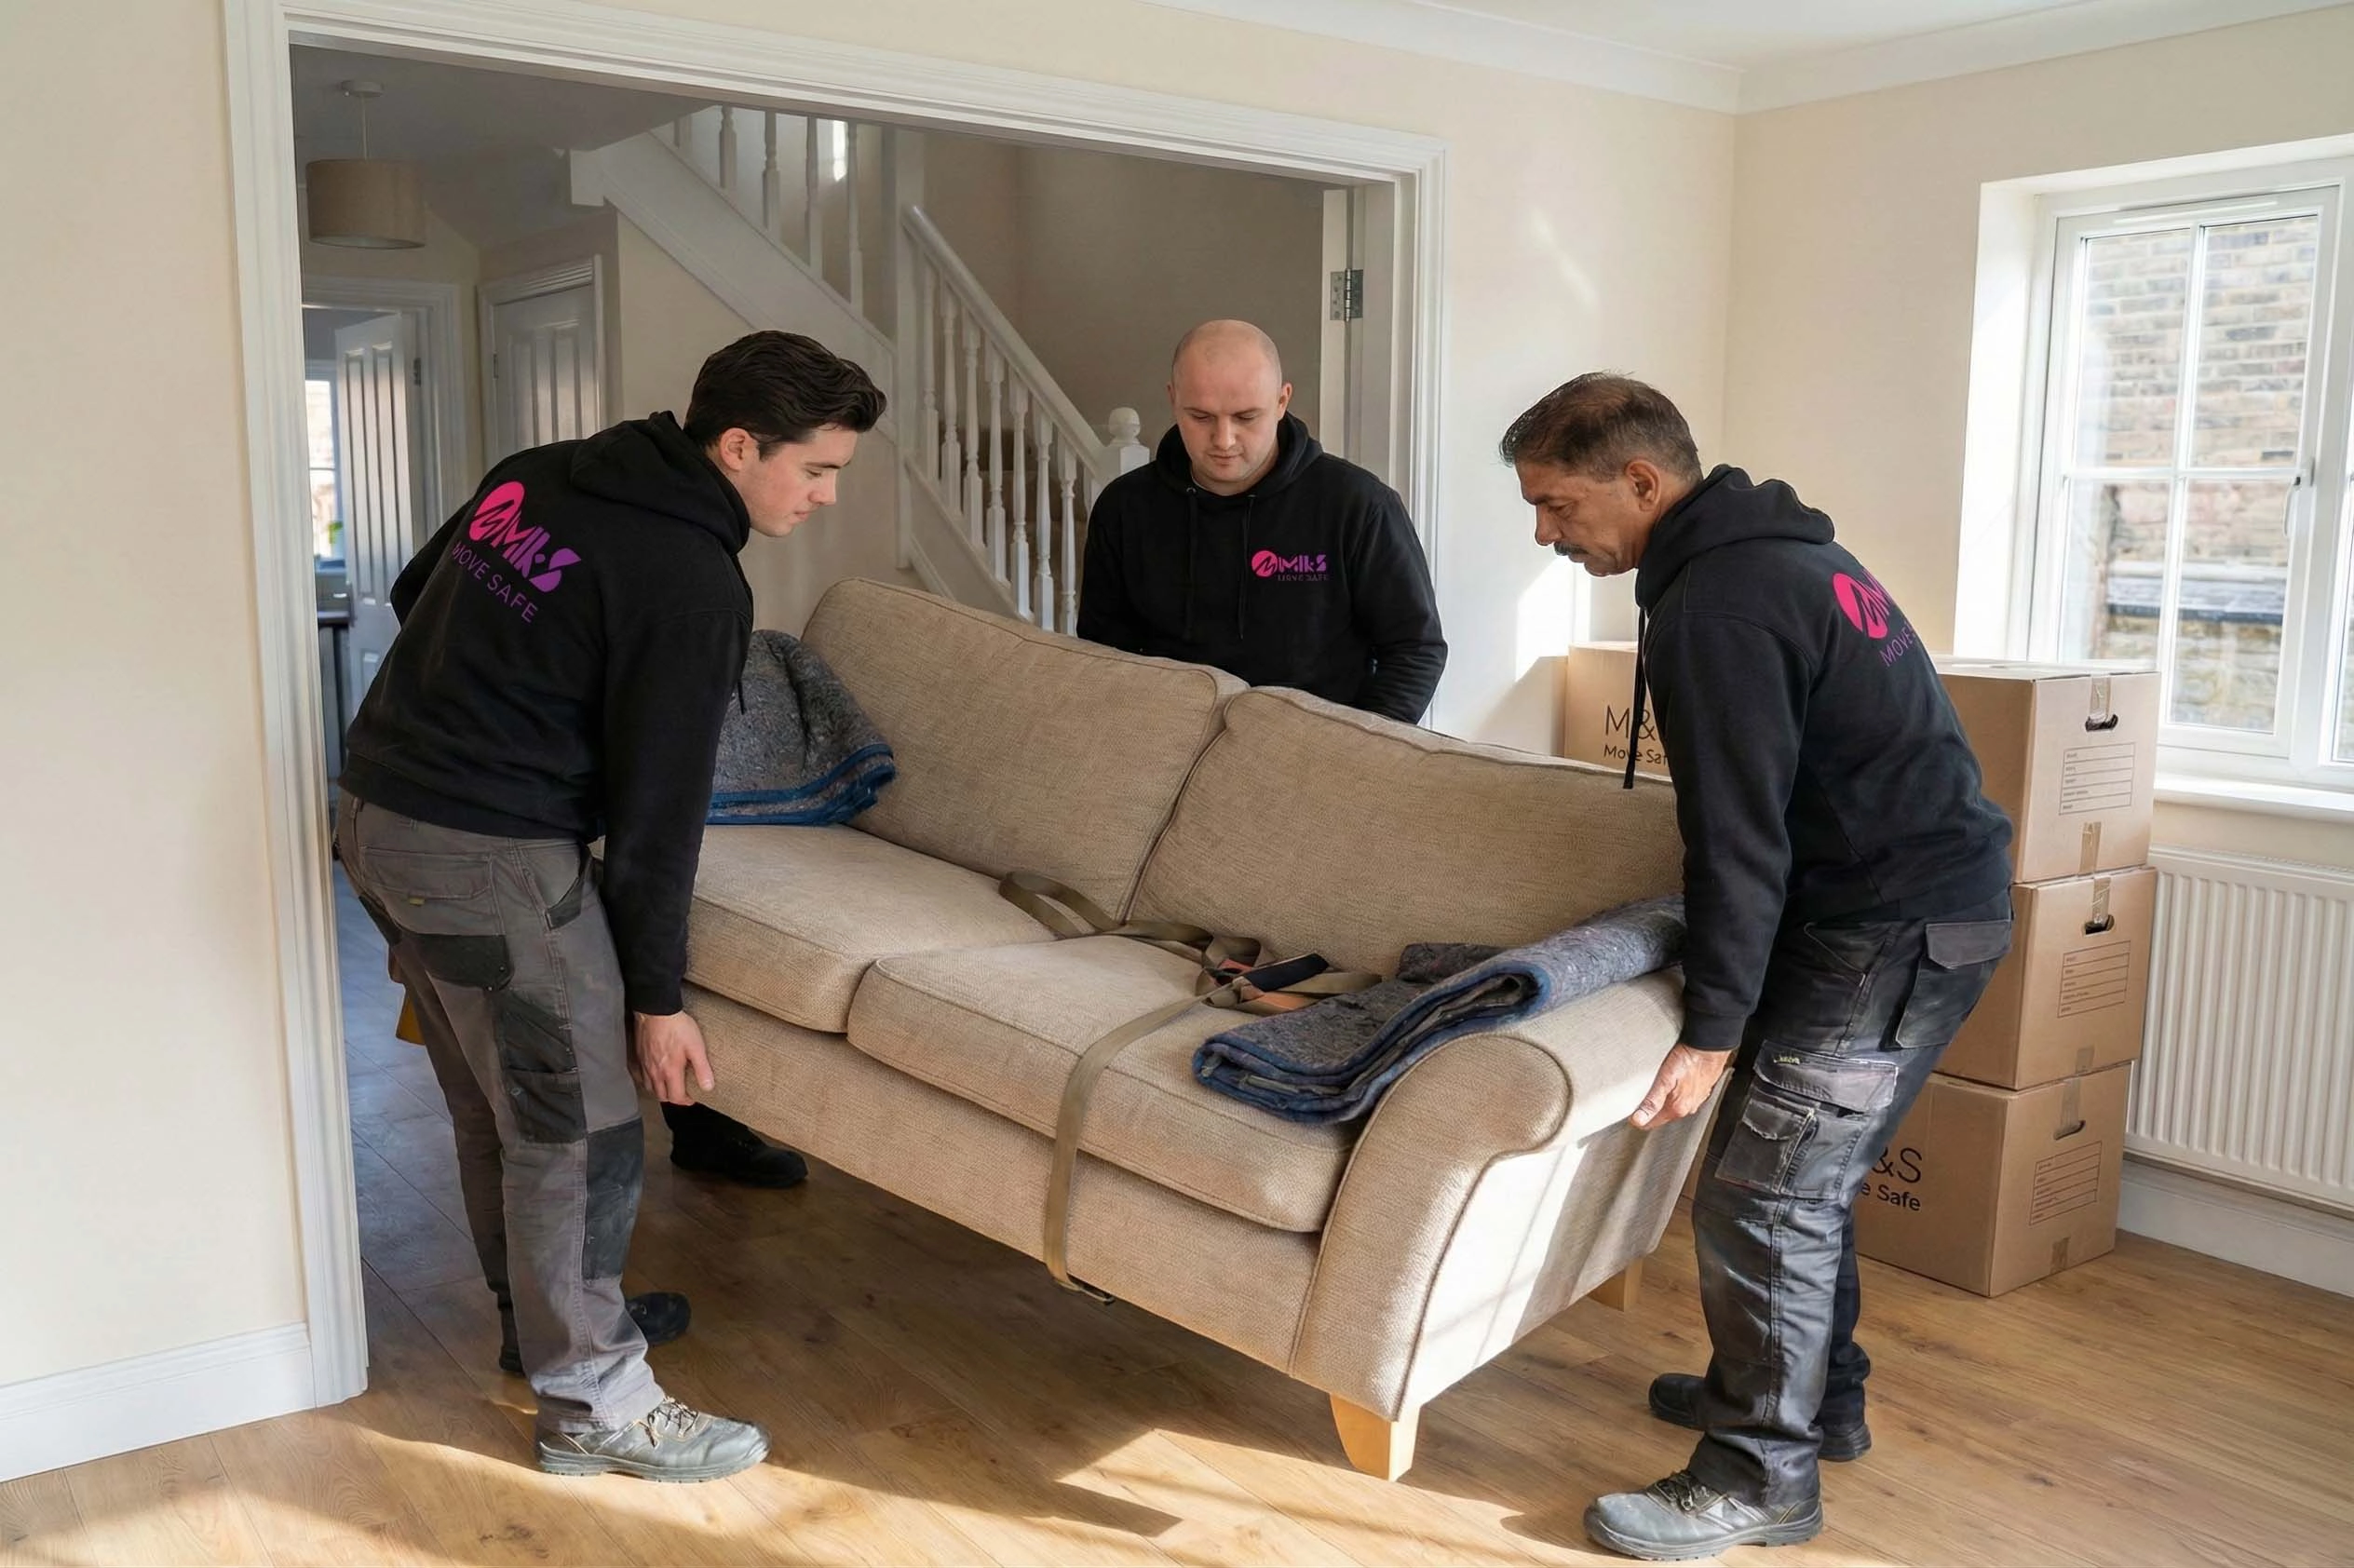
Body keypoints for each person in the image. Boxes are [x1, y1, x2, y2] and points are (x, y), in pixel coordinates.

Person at [336, 331, 884, 1480]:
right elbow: (655, 822)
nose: (827, 496)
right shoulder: (692, 583)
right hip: (487, 859)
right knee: (580, 1131)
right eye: (816, 469)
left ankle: (541, 1331)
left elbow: (410, 590)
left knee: (502, 1108)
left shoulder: (539, 471)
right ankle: (595, 1400)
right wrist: (656, 998)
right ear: (738, 446)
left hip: (377, 818)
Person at [1502, 374, 2014, 1560]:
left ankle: (1756, 1477)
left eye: (1555, 504)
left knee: (1767, 1192)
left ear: (1641, 480)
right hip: (1913, 909)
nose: (1543, 532)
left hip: (1888, 927)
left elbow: (1737, 835)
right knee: (1797, 1182)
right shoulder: (1770, 560)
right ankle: (1811, 1406)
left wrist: (1711, 1028)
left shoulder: (1722, 604)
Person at [1077, 319, 1445, 722]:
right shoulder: (1124, 508)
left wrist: (1357, 748)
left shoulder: (1358, 505)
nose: (1224, 440)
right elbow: (1104, 652)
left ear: (1282, 401)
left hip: (1316, 743)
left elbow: (1415, 648)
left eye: (1246, 417)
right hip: (1169, 739)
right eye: (1200, 417)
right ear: (1172, 400)